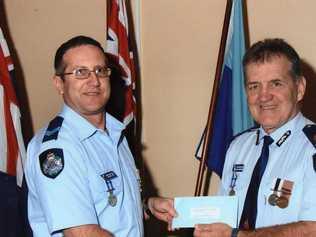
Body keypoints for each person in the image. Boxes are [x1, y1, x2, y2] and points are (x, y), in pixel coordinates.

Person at [25, 35, 175, 237]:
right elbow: (81, 232)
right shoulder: (58, 148)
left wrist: (147, 206)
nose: (94, 81)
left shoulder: (114, 134)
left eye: (100, 70)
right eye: (81, 72)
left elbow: (110, 205)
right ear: (59, 83)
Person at [194, 38, 316, 237]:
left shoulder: (311, 148)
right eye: (254, 86)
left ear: (300, 88)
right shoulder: (238, 146)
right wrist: (181, 213)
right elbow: (224, 218)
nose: (263, 96)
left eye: (276, 84)